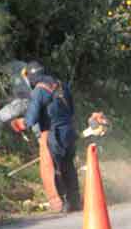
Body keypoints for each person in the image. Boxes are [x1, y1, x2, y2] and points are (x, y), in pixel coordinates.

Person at [10, 62, 81, 213]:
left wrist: (18, 123)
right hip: (69, 131)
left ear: (30, 77)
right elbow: (72, 110)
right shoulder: (62, 85)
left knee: (56, 169)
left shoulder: (39, 91)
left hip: (54, 133)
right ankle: (75, 202)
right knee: (69, 166)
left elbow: (30, 120)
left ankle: (61, 203)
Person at [0, 60, 33, 147]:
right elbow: (15, 97)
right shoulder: (15, 77)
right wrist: (0, 102)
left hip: (24, 103)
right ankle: (16, 145)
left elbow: (22, 97)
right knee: (9, 122)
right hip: (24, 104)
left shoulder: (18, 74)